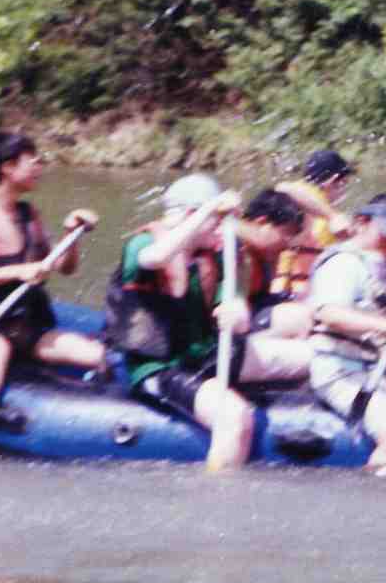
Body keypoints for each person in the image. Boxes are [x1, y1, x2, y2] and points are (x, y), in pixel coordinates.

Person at [0, 131, 104, 458]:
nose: (40, 166)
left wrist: (73, 235)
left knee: (98, 356)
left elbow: (64, 268)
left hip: (29, 327)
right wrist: (18, 271)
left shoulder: (30, 216)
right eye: (33, 160)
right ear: (8, 168)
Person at [105, 174, 272, 472]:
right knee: (235, 417)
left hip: (203, 355)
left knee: (302, 356)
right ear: (191, 217)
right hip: (159, 367)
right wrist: (209, 211)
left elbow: (235, 306)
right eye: (215, 221)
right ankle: (217, 500)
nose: (220, 228)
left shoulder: (214, 255)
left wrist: (237, 313)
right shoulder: (143, 244)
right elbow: (155, 258)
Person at [305, 194, 386, 470]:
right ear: (361, 223)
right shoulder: (343, 263)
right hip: (339, 370)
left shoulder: (383, 264)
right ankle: (370, 495)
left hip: (371, 368)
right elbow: (329, 313)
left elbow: (385, 298)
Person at [231, 188, 318, 380]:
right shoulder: (230, 242)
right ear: (261, 223)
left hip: (253, 312)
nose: (288, 244)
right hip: (227, 333)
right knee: (302, 318)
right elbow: (228, 224)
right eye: (286, 234)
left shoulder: (266, 254)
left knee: (311, 311)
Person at [271, 148, 354, 297]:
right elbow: (284, 188)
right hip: (298, 295)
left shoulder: (290, 203)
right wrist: (332, 216)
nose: (344, 192)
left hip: (278, 290)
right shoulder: (328, 215)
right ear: (332, 181)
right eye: (344, 184)